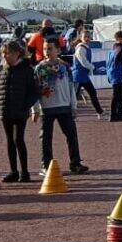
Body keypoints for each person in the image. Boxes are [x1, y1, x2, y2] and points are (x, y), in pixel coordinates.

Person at [0, 39, 40, 182]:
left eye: (8, 53)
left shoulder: (27, 70)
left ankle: (25, 172)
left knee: (18, 139)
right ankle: (13, 171)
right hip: (4, 110)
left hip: (20, 111)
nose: (5, 56)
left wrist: (26, 105)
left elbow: (34, 91)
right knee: (9, 140)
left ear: (17, 54)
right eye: (3, 53)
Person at [35, 37, 90, 176]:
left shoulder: (65, 67)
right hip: (46, 108)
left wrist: (73, 105)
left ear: (58, 50)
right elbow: (35, 90)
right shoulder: (39, 68)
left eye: (50, 48)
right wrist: (35, 109)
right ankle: (46, 165)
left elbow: (71, 87)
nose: (47, 51)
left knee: (71, 135)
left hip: (64, 106)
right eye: (45, 48)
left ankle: (75, 163)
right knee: (46, 138)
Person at [71, 30, 106, 118]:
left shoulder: (86, 47)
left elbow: (86, 63)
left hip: (84, 76)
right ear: (81, 38)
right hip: (78, 76)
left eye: (88, 36)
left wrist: (91, 69)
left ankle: (100, 112)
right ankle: (69, 114)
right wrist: (94, 68)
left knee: (92, 93)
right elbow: (84, 62)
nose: (87, 38)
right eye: (85, 37)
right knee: (73, 96)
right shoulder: (80, 48)